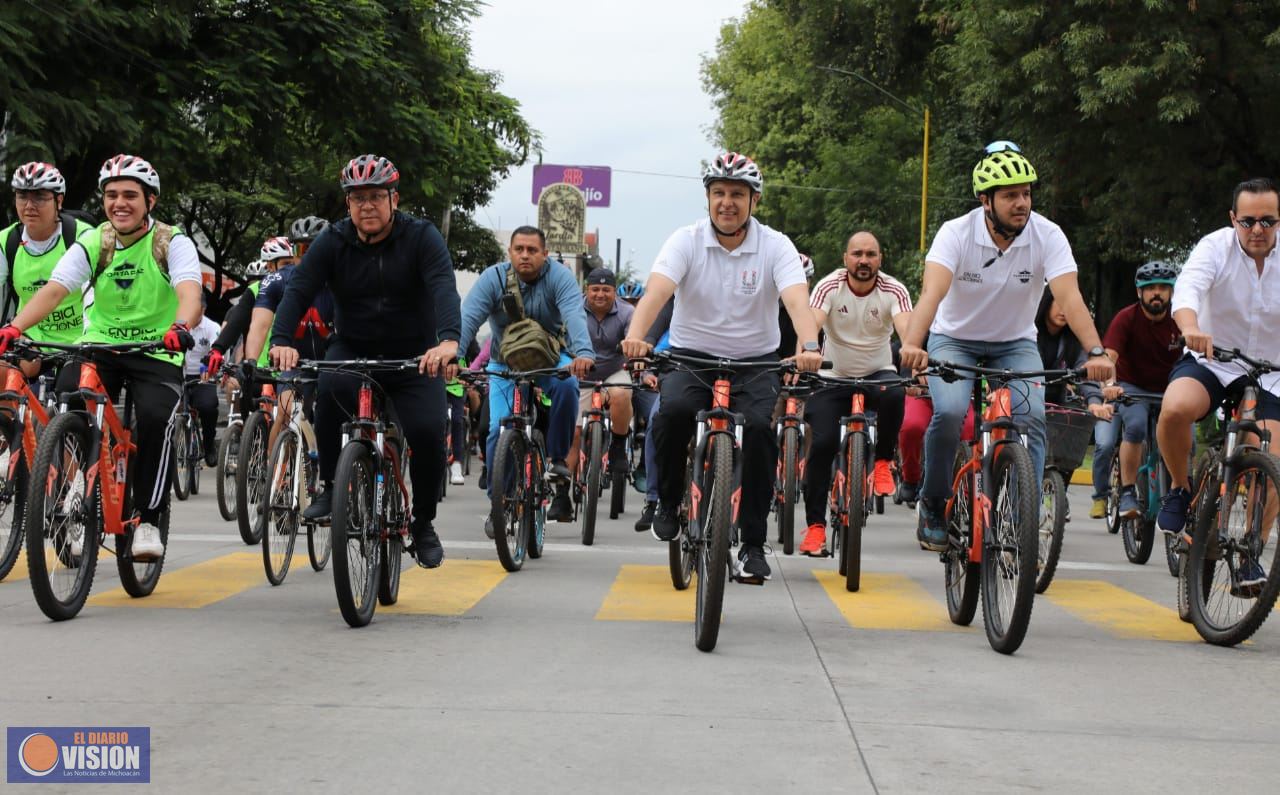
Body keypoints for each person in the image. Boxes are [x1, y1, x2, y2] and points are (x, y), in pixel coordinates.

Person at [899, 142, 1113, 551]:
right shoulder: (956, 233)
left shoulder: (1047, 235)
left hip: (1015, 343)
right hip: (954, 339)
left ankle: (1020, 518)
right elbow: (931, 293)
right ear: (986, 201)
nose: (1021, 203)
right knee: (947, 411)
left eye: (1026, 193)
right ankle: (932, 501)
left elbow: (1069, 297)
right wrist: (912, 344)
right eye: (1010, 195)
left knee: (1031, 418)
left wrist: (1097, 352)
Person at [621, 151, 824, 582]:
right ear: (708, 198)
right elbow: (657, 292)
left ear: (755, 201)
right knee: (671, 413)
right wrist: (637, 336)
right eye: (718, 193)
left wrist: (809, 344)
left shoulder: (776, 245)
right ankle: (668, 500)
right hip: (692, 356)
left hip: (754, 362)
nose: (726, 202)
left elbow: (796, 301)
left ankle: (752, 543)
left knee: (759, 432)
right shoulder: (686, 240)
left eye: (737, 193)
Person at [0, 154, 203, 560]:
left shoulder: (171, 242)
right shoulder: (96, 241)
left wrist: (181, 327)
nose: (119, 203)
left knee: (152, 418)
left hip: (157, 350)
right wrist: (15, 327)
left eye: (130, 195)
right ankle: (79, 490)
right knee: (70, 397)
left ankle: (146, 518)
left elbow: (189, 292)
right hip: (99, 346)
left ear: (151, 201)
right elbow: (57, 288)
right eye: (111, 195)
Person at [270, 154, 461, 569]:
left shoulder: (422, 237)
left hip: (415, 355)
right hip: (353, 347)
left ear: (395, 198)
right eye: (358, 199)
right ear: (347, 205)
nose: (367, 206)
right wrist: (282, 340)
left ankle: (423, 521)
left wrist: (447, 342)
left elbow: (445, 288)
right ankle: (330, 484)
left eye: (376, 196)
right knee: (330, 388)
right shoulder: (333, 241)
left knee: (428, 431)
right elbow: (298, 289)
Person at [1156, 178, 1280, 594]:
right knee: (1175, 408)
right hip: (1215, 361)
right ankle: (1178, 487)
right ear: (1233, 220)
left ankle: (1249, 553)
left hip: (1271, 372)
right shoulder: (1214, 247)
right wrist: (1190, 327)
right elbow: (1188, 289)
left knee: (1275, 459)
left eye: (1268, 220)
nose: (1258, 230)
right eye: (1248, 221)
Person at [457, 226, 594, 527]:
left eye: (532, 250)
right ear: (510, 252)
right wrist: (455, 356)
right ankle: (500, 503)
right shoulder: (493, 278)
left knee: (568, 385)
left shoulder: (560, 278)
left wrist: (583, 353)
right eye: (519, 249)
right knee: (496, 431)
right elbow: (468, 318)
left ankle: (558, 460)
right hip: (504, 363)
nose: (525, 255)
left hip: (550, 358)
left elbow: (574, 314)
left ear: (545, 254)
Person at [797, 231, 912, 555]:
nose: (864, 260)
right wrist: (805, 353)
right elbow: (812, 324)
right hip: (833, 375)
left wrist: (913, 350)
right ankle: (816, 527)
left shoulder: (894, 290)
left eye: (871, 254)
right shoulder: (829, 286)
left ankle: (883, 462)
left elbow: (907, 329)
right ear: (846, 258)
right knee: (822, 444)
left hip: (877, 373)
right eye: (857, 254)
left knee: (894, 394)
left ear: (880, 259)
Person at [1088, 262, 1181, 519]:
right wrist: (1109, 386)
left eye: (1163, 288)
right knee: (1136, 426)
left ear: (1172, 292)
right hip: (1132, 387)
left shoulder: (1179, 318)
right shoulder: (1126, 317)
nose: (1157, 293)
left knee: (1188, 440)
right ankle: (1128, 491)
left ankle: (1181, 491)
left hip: (1171, 388)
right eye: (1150, 288)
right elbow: (1109, 358)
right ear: (1139, 292)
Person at [0, 162, 94, 377]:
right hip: (32, 333)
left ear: (58, 200)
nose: (29, 205)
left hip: (80, 336)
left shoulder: (84, 237)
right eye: (22, 196)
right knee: (7, 371)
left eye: (40, 197)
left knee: (75, 390)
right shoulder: (7, 242)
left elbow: (94, 296)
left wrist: (90, 339)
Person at [575, 267, 634, 475]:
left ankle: (618, 447)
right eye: (595, 289)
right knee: (574, 432)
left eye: (606, 289)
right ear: (586, 290)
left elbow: (633, 341)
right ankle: (562, 493)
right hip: (581, 374)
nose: (600, 294)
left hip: (613, 371)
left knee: (622, 393)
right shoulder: (573, 309)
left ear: (614, 292)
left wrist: (637, 361)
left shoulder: (627, 312)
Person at [186, 301, 222, 465]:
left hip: (204, 375)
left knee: (208, 407)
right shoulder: (178, 323)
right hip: (181, 374)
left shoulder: (212, 327)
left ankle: (209, 445)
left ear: (203, 309)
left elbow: (217, 351)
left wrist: (211, 370)